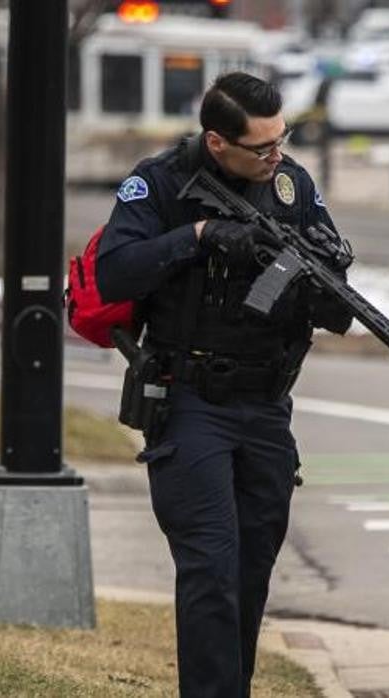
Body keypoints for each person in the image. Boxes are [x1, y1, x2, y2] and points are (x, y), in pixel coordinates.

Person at [96, 72, 339, 697]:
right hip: (190, 399)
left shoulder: (290, 185)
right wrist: (199, 238)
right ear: (217, 143)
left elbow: (326, 271)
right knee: (210, 567)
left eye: (281, 140)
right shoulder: (160, 183)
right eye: (262, 148)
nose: (276, 156)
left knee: (252, 568)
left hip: (265, 406)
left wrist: (319, 263)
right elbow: (116, 272)